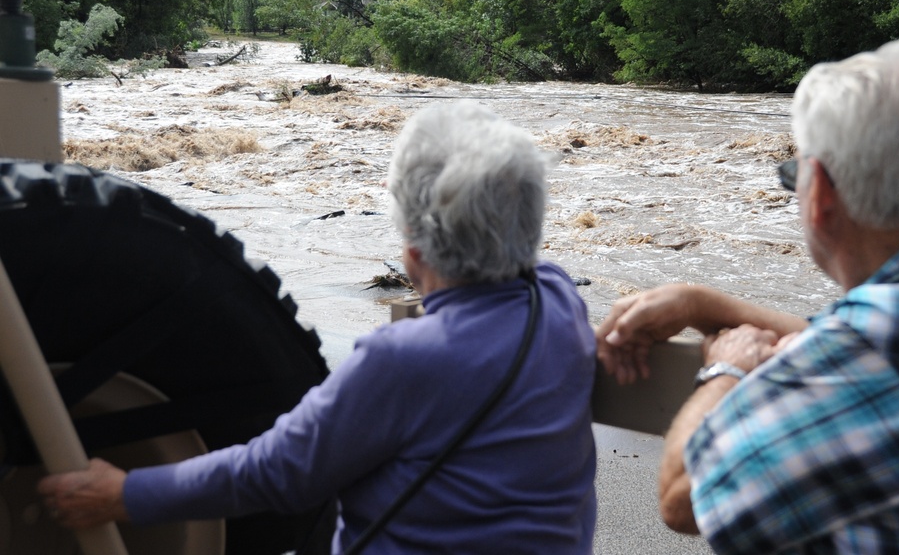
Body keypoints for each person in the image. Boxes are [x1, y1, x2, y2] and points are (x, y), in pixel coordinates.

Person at [39, 102, 598, 554]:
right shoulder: (557, 301)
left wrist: (126, 493)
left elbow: (275, 473)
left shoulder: (402, 358)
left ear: (411, 250)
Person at [596, 39, 899, 553]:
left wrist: (724, 373)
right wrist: (703, 304)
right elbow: (889, 349)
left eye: (794, 176)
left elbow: (685, 498)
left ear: (822, 196)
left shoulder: (864, 349)